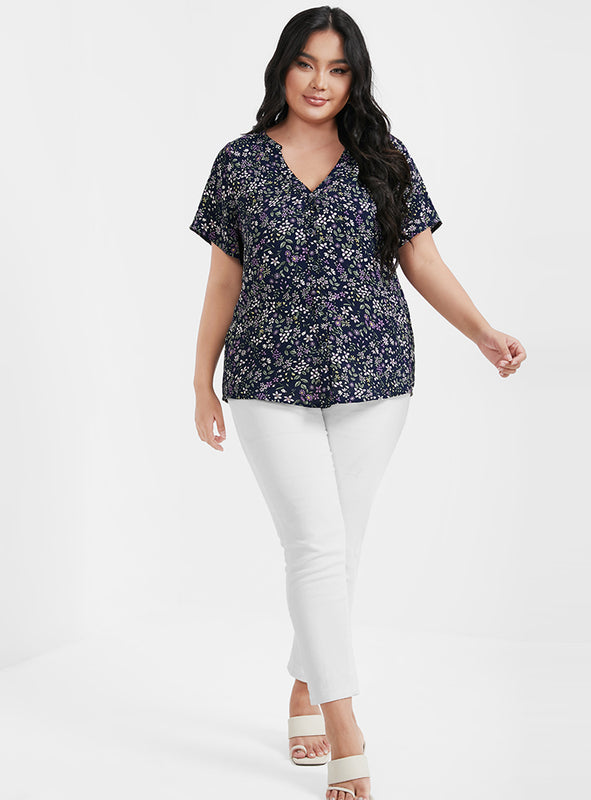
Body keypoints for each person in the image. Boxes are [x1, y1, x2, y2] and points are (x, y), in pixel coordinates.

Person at [189, 7, 527, 800]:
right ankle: (347, 728)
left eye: (337, 69)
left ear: (355, 78)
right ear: (283, 67)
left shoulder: (384, 156)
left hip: (374, 374)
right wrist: (199, 379)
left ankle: (306, 685)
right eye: (307, 64)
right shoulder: (239, 163)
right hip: (267, 374)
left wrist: (483, 331)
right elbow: (223, 280)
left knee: (341, 548)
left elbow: (422, 259)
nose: (320, 83)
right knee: (314, 545)